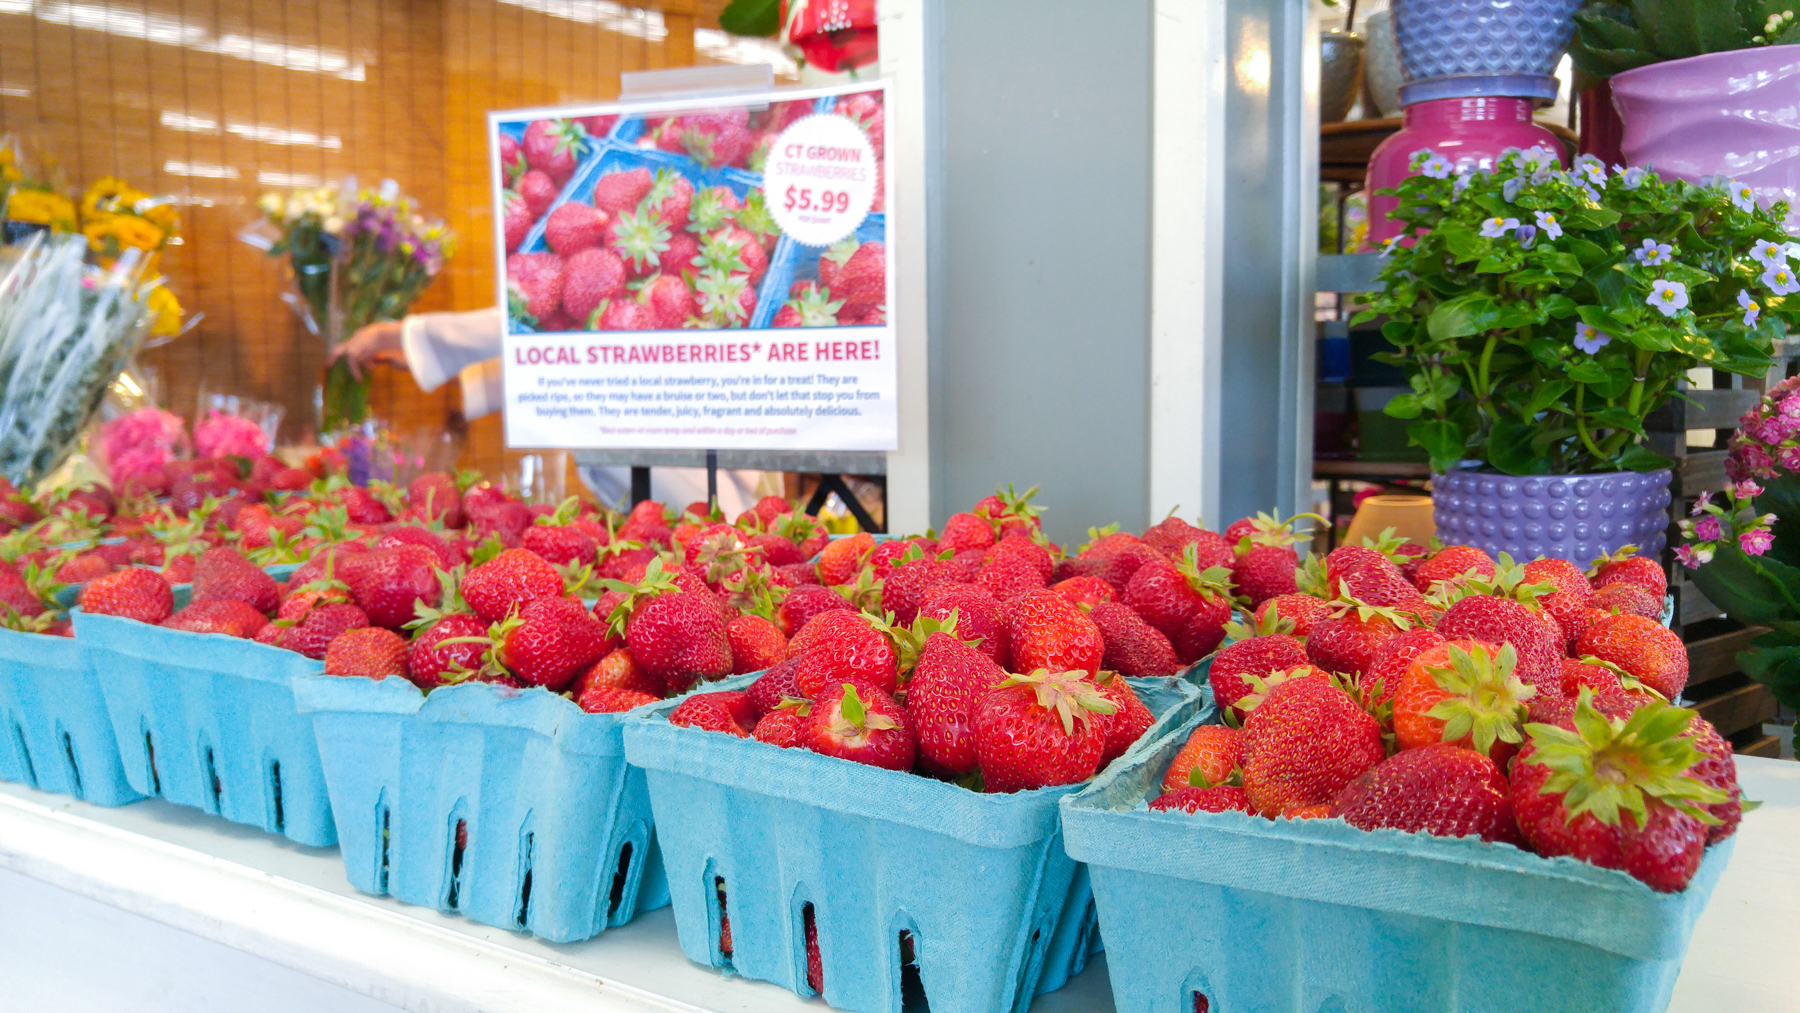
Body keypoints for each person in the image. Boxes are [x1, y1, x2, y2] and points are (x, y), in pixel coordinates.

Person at [334, 309, 771, 512]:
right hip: (674, 437)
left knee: (711, 550)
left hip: (680, 443)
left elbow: (533, 326)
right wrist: (424, 350)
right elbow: (559, 342)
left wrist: (407, 336)